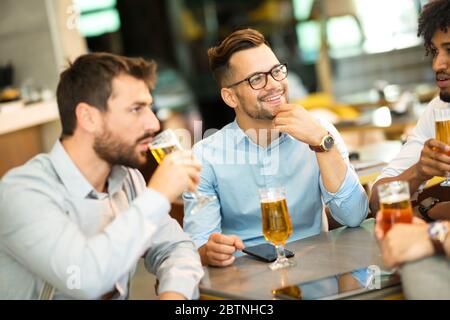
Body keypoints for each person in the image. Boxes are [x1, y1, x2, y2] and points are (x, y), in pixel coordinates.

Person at [0, 53, 204, 300]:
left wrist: (173, 295)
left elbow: (176, 247)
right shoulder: (22, 194)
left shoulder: (127, 179)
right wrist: (158, 196)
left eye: (150, 107)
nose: (153, 123)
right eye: (136, 109)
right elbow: (85, 279)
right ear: (88, 118)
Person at [183, 28, 368, 267]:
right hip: (246, 289)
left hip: (318, 276)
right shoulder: (205, 156)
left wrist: (322, 144)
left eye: (276, 71)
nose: (274, 85)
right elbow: (199, 244)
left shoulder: (319, 132)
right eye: (256, 79)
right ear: (230, 97)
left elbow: (353, 217)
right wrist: (210, 251)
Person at [369, 0, 450, 221]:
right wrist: (418, 172)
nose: (437, 64)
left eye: (449, 50)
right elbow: (378, 202)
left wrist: (430, 209)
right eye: (434, 51)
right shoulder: (439, 110)